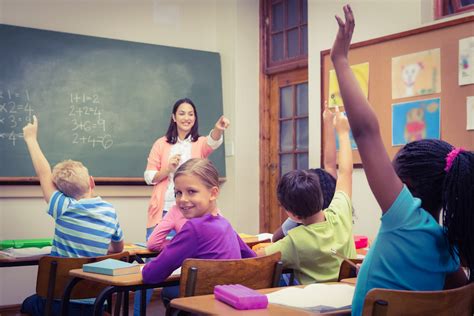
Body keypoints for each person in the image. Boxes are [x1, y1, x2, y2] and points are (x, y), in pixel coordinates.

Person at [330, 5, 472, 315]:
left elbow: (366, 132)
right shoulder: (446, 248)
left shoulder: (404, 217)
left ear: (405, 185)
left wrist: (339, 60)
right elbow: (462, 297)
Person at [20, 115, 124, 316]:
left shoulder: (63, 206)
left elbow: (43, 173)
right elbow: (118, 248)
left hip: (60, 304)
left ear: (61, 192)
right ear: (92, 182)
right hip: (96, 303)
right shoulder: (109, 211)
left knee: (27, 305)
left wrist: (31, 139)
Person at [138, 98, 229, 314]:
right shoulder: (161, 144)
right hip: (165, 210)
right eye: (182, 113)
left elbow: (213, 142)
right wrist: (167, 169)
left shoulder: (199, 142)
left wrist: (217, 129)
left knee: (192, 257)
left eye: (191, 113)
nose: (187, 117)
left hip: (192, 214)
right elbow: (149, 176)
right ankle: (138, 312)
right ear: (174, 117)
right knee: (153, 255)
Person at [257, 107, 356, 285]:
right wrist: (343, 132)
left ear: (293, 215)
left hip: (313, 309)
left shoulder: (295, 241)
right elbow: (346, 172)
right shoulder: (341, 215)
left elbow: (256, 258)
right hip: (348, 300)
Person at [142, 158, 255, 304]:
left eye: (191, 191)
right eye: (178, 193)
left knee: (169, 291)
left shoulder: (194, 228)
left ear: (213, 193)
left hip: (205, 305)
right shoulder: (224, 223)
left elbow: (151, 275)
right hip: (228, 302)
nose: (182, 199)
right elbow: (252, 258)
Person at [272, 101, 337, 242]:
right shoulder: (338, 219)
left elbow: (274, 239)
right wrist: (328, 123)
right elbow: (331, 165)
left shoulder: (297, 231)